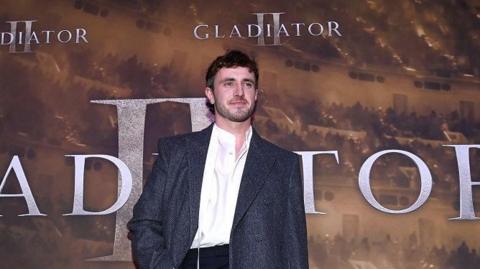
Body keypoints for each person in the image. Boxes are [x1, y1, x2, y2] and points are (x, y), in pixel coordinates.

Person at [127, 50, 308, 269]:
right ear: (210, 94)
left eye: (247, 84)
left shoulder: (283, 164)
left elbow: (294, 248)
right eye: (229, 83)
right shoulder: (176, 152)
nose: (239, 92)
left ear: (256, 94)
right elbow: (145, 222)